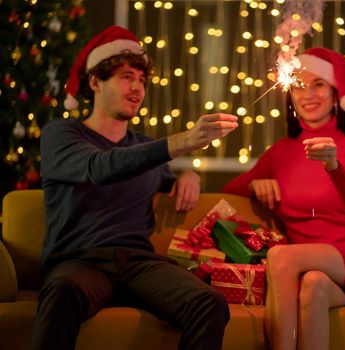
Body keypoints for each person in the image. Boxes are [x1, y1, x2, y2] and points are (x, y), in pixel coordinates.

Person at [32, 26, 238, 350]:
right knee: (62, 291)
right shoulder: (62, 134)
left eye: (142, 80)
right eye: (127, 76)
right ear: (95, 82)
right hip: (81, 262)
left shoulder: (143, 147)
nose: (138, 88)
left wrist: (188, 176)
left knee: (208, 303)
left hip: (138, 263)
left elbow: (156, 170)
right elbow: (101, 167)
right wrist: (182, 142)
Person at [223, 47, 345, 350]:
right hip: (311, 267)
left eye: (318, 84)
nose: (308, 94)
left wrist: (334, 167)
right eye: (300, 85)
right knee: (313, 286)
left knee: (280, 257)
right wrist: (255, 185)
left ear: (336, 95)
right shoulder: (281, 152)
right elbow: (230, 190)